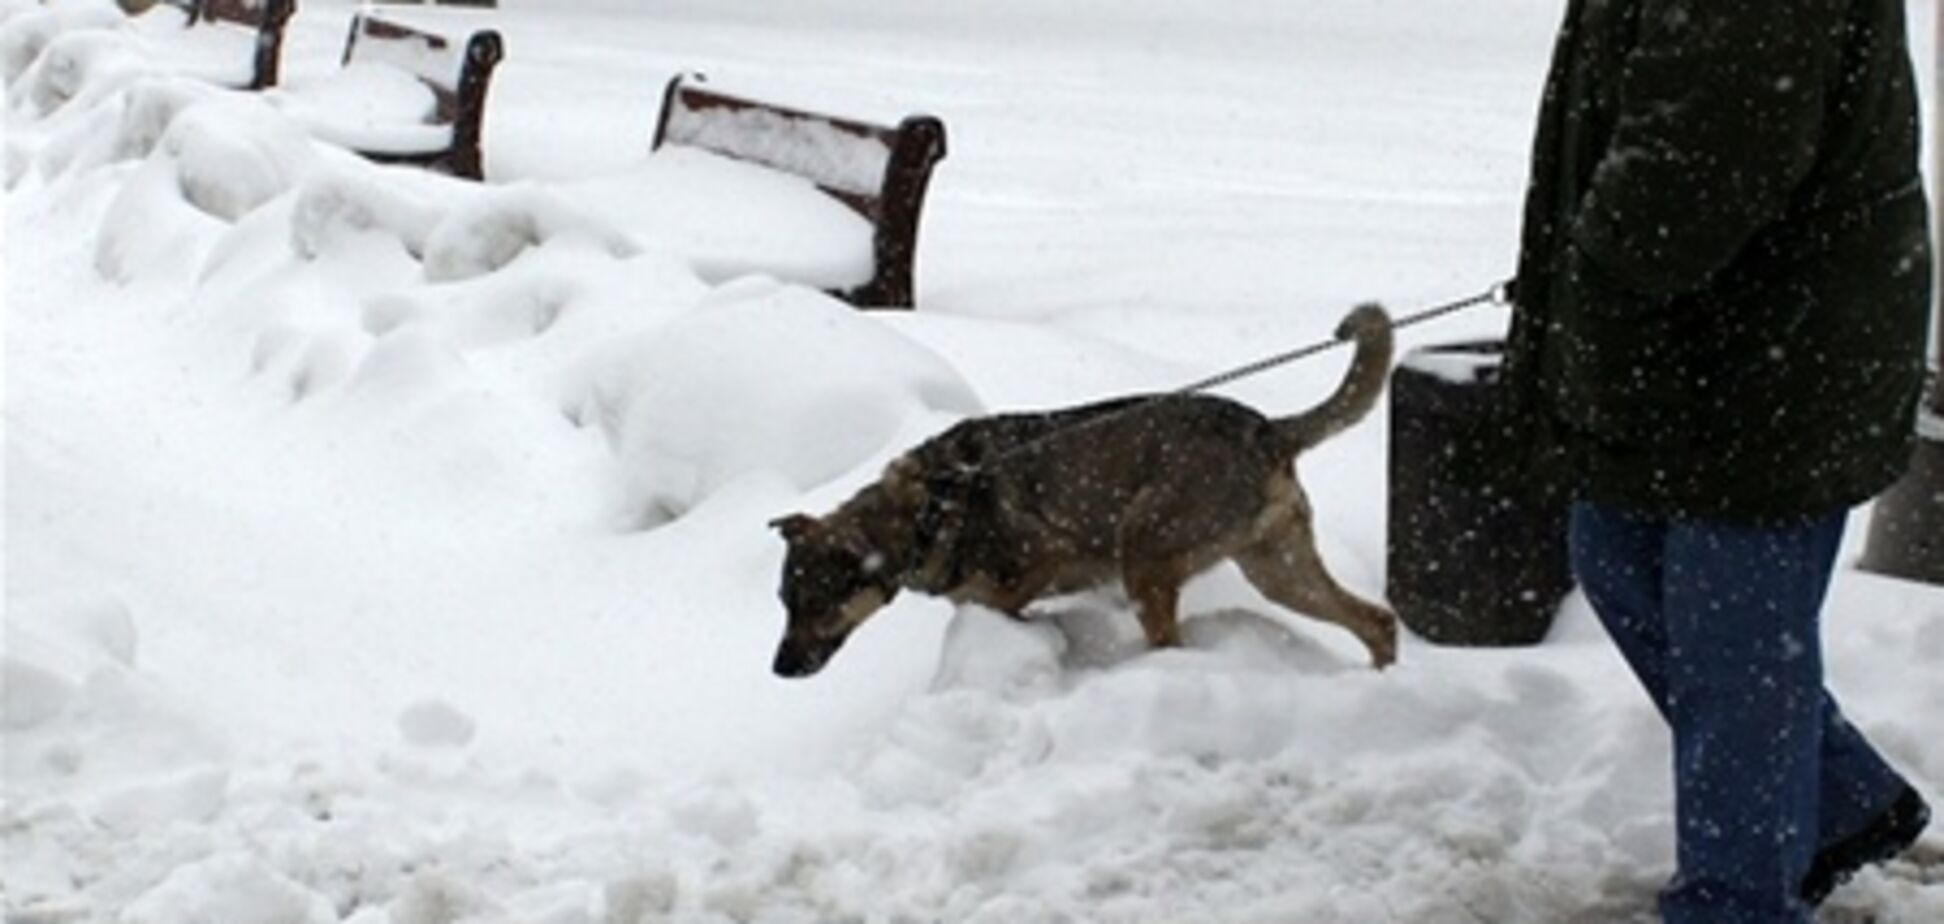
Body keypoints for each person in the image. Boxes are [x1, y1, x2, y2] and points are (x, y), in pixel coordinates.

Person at [1501, 1, 1935, 921]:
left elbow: (1700, 167)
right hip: (1692, 347)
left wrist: (1594, 278)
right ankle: (1835, 800)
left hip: (1774, 351)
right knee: (1618, 556)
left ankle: (1737, 901)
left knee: (1734, 641)